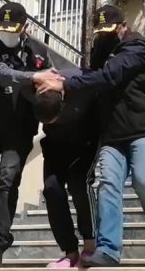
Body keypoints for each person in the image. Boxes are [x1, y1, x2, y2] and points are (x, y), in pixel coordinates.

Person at [36, 5, 145, 268]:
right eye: (101, 31)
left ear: (123, 26)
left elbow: (110, 75)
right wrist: (60, 77)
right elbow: (90, 76)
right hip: (114, 135)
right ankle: (109, 251)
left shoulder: (138, 47)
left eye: (111, 30)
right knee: (108, 184)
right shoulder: (100, 50)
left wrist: (66, 83)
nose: (106, 36)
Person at [0, 2, 60, 268]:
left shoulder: (39, 55)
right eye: (3, 28)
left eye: (12, 28)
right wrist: (34, 76)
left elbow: (51, 88)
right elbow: (0, 74)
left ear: (24, 27)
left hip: (19, 130)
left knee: (8, 178)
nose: (6, 34)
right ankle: (2, 234)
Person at [33, 69, 98, 268]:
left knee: (79, 183)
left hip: (85, 143)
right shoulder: (35, 88)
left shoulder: (80, 85)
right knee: (51, 189)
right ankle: (70, 252)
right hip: (56, 145)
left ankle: (90, 245)